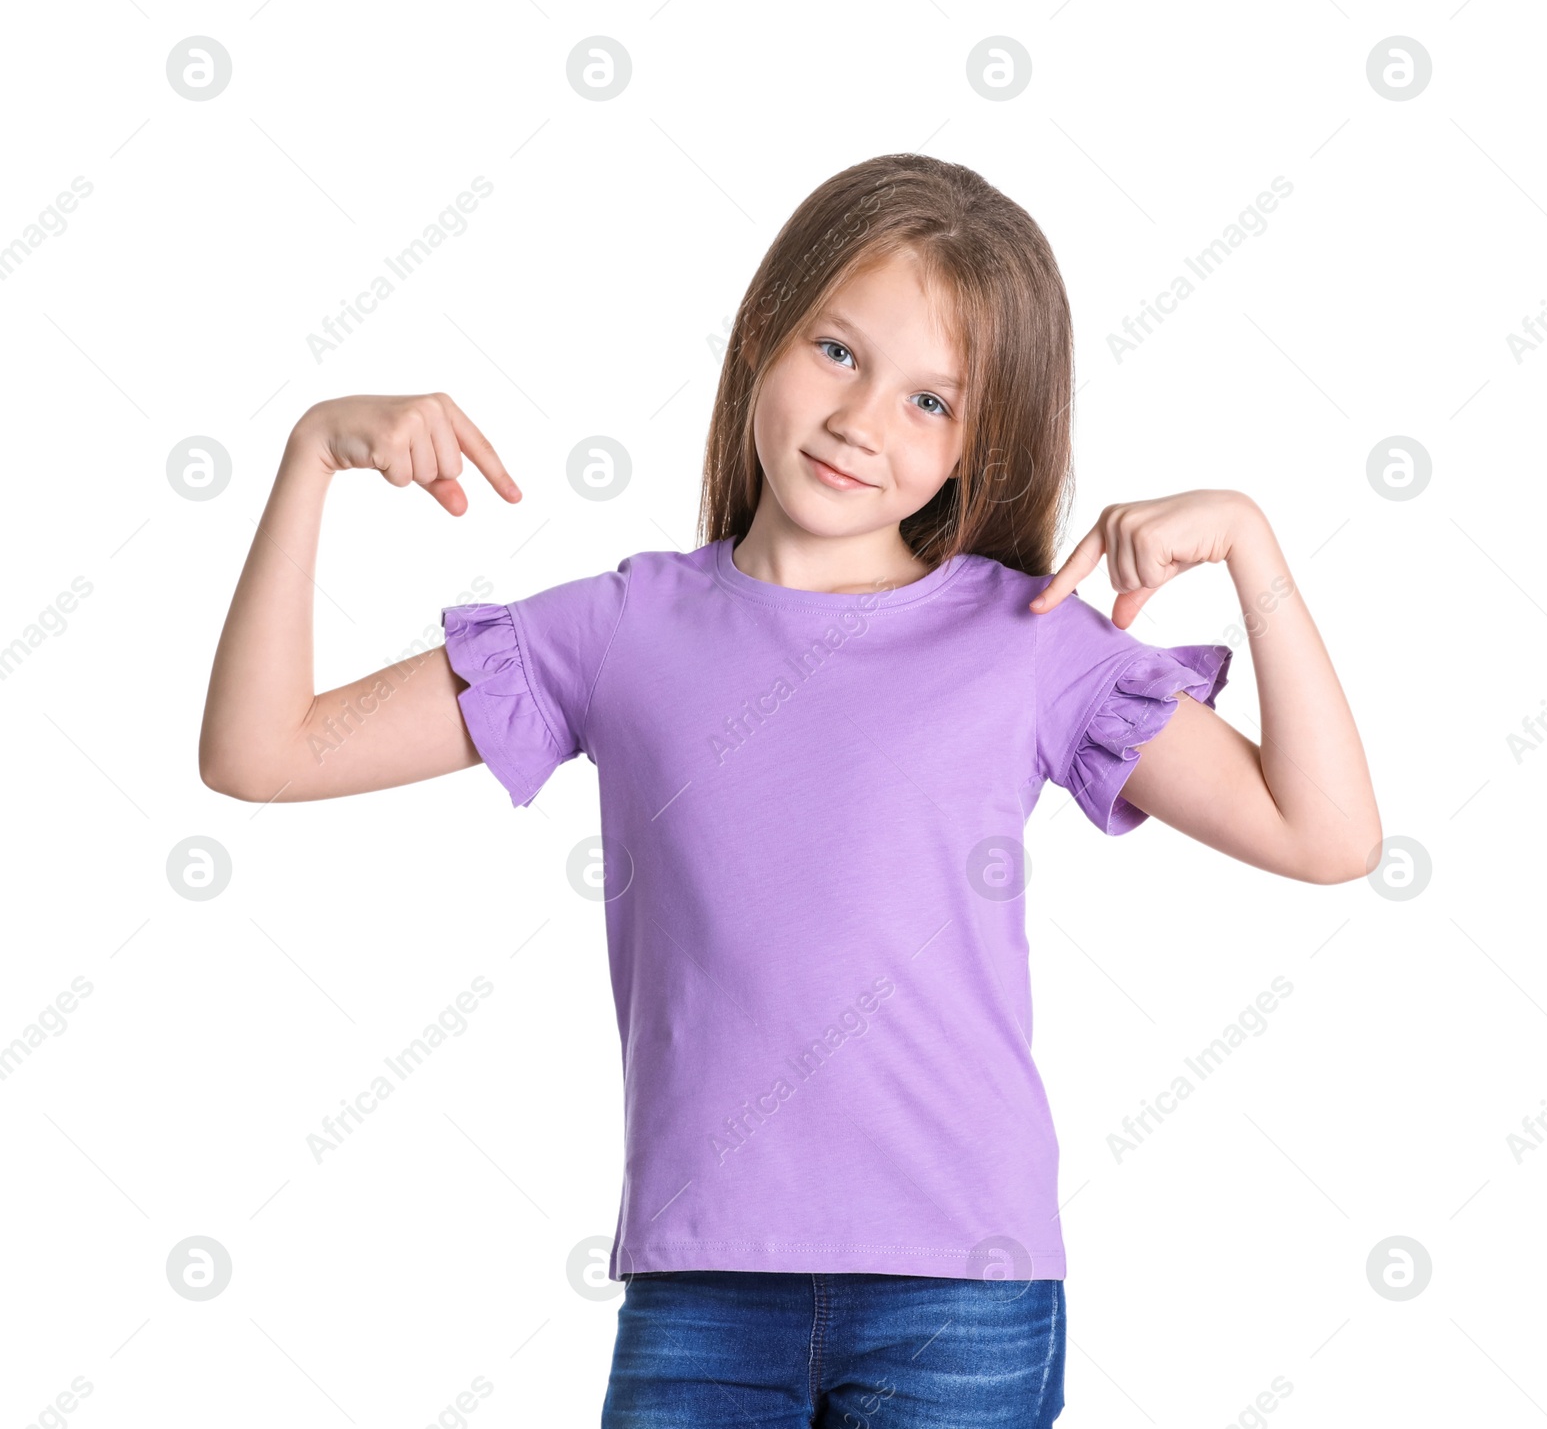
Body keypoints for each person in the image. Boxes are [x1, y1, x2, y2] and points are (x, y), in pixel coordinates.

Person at [199, 153, 1381, 1427]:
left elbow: (1323, 835)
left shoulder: (1028, 638)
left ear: (984, 440)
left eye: (932, 398)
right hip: (700, 1291)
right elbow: (263, 755)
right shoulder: (617, 628)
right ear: (765, 331)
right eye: (837, 351)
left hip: (960, 1296)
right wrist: (312, 454)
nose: (864, 419)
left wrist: (1253, 548)